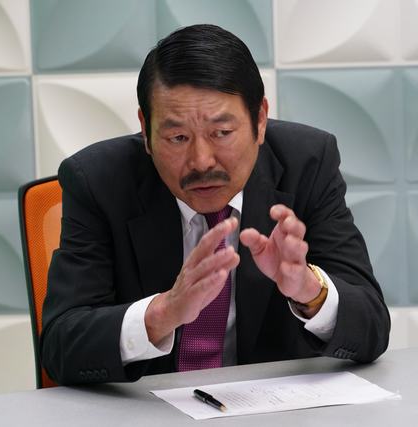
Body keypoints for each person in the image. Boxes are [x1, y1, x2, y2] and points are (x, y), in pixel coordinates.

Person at [41, 24, 390, 385]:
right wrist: (162, 313)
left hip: (272, 408)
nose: (202, 161)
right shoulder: (98, 181)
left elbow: (373, 329)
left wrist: (309, 290)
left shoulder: (308, 164)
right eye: (178, 137)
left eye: (222, 133)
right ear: (145, 129)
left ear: (259, 120)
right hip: (146, 409)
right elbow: (60, 346)